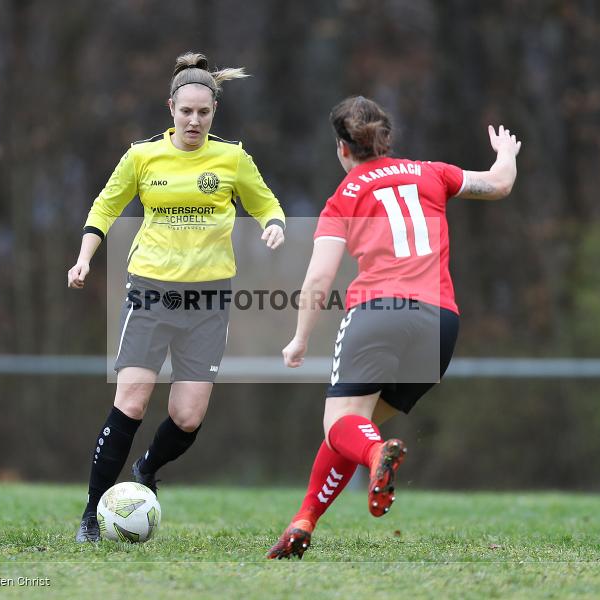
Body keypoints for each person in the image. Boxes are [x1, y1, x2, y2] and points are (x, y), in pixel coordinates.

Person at [267, 96, 520, 559]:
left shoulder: (343, 197)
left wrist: (300, 337)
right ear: (385, 139)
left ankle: (375, 456)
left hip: (380, 312)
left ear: (343, 148)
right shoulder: (432, 172)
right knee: (353, 427)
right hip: (440, 322)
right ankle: (304, 520)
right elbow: (499, 185)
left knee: (343, 426)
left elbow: (319, 279)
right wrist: (506, 154)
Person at [67, 52, 285, 543]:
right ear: (171, 107)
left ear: (214, 113)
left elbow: (266, 200)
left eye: (203, 113)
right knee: (132, 402)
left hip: (208, 301)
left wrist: (273, 224)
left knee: (188, 417)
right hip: (150, 291)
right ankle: (91, 515)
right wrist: (84, 257)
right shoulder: (143, 156)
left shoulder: (231, 158)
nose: (194, 120)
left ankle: (146, 469)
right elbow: (105, 205)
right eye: (186, 111)